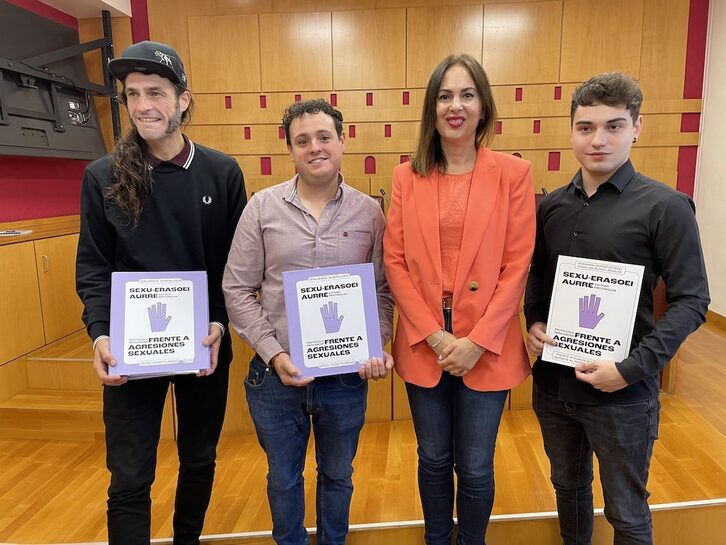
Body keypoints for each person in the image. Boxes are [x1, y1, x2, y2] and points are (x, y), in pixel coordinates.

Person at [524, 72, 710, 545]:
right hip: (555, 383)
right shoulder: (551, 207)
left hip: (622, 394)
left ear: (637, 127)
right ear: (571, 131)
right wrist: (535, 321)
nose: (598, 139)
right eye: (585, 127)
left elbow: (693, 301)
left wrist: (630, 369)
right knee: (568, 489)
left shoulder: (666, 207)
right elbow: (538, 276)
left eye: (613, 125)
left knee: (626, 511)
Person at [75, 40, 246, 545]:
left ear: (183, 99)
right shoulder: (102, 176)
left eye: (156, 92)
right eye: (132, 95)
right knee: (129, 478)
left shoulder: (221, 172)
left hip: (203, 344)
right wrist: (100, 334)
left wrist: (218, 322)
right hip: (132, 349)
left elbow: (236, 266)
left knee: (199, 460)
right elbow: (93, 266)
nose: (144, 104)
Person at [222, 99, 394, 545]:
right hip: (276, 377)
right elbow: (237, 291)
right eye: (303, 141)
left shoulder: (369, 213)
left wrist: (378, 343)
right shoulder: (261, 208)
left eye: (323, 137)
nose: (314, 147)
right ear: (290, 149)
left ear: (342, 140)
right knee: (283, 478)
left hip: (344, 378)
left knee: (338, 476)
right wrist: (274, 353)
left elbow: (382, 290)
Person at [383, 54, 536, 545]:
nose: (456, 105)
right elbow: (396, 262)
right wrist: (433, 332)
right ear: (431, 108)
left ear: (483, 106)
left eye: (467, 94)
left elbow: (517, 265)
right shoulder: (407, 176)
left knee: (474, 464)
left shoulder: (513, 174)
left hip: (485, 339)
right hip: (425, 333)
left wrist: (477, 340)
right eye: (445, 96)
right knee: (432, 457)